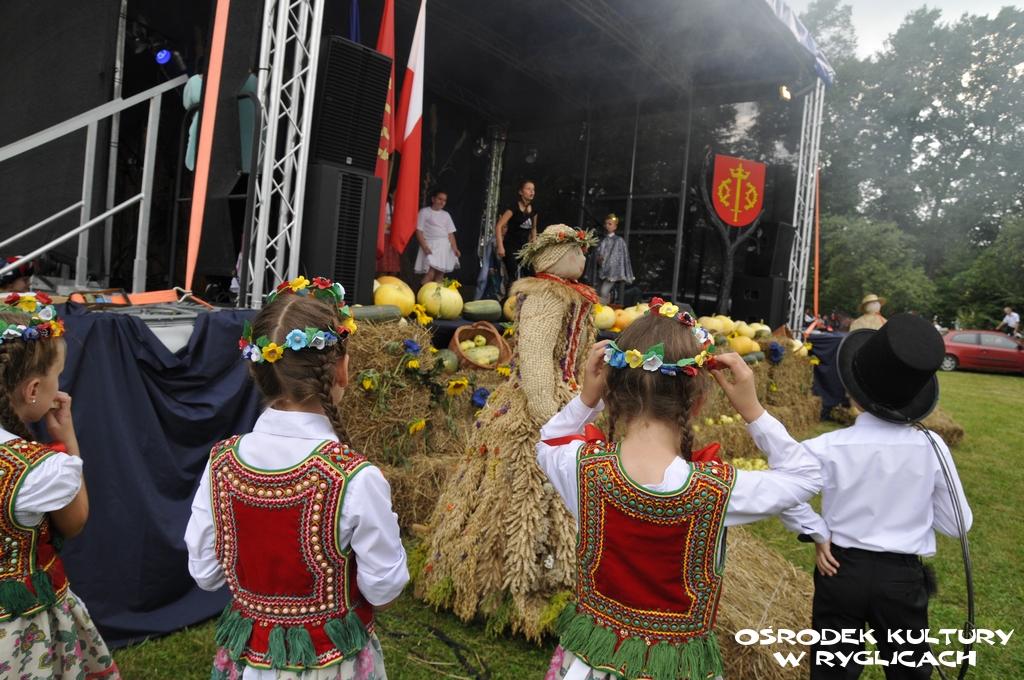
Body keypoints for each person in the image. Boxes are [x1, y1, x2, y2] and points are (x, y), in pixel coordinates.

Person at [537, 303, 823, 680]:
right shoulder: (715, 490)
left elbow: (549, 440)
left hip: (590, 662)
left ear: (612, 392)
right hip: (673, 669)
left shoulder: (582, 467)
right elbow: (807, 476)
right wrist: (752, 410)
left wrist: (586, 400)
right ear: (698, 402)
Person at [185, 278, 407, 680]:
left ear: (257, 370)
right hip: (329, 664)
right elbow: (384, 590)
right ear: (341, 369)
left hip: (248, 662)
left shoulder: (221, 463)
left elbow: (206, 574)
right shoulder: (354, 478)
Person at [420, 225, 599, 639]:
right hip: (540, 407)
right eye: (576, 252)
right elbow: (535, 357)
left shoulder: (568, 295)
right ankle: (501, 586)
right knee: (523, 490)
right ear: (554, 258)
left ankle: (558, 577)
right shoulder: (546, 299)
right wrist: (549, 416)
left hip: (567, 397)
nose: (583, 259)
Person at [779, 313, 972, 679]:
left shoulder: (826, 446)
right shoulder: (932, 447)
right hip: (901, 578)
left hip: (840, 570)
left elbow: (783, 490)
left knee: (833, 670)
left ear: (852, 394)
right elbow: (957, 524)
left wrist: (816, 531)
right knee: (909, 671)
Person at [0, 293, 120, 678]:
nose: (59, 389)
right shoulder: (42, 470)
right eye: (57, 377)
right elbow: (74, 522)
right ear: (33, 390)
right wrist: (66, 438)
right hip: (18, 627)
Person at [495, 180, 538, 287]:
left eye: (533, 189)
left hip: (524, 247)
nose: (531, 191)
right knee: (513, 276)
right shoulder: (514, 208)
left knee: (531, 275)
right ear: (521, 192)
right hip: (511, 245)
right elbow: (499, 226)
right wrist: (500, 246)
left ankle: (525, 296)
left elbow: (533, 228)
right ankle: (509, 297)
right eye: (528, 189)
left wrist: (534, 246)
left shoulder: (534, 209)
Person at [413, 190, 461, 286]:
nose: (442, 202)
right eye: (440, 199)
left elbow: (450, 233)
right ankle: (419, 293)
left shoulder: (446, 215)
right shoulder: (425, 212)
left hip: (444, 247)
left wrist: (455, 248)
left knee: (440, 275)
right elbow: (418, 231)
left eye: (444, 200)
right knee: (430, 274)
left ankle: (436, 294)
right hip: (431, 246)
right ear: (433, 199)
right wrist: (425, 247)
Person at [595, 214, 634, 304]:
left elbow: (619, 257)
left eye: (610, 224)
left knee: (604, 292)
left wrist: (608, 262)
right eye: (606, 224)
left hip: (611, 272)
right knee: (597, 292)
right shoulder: (601, 240)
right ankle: (597, 308)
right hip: (600, 269)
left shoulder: (618, 240)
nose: (607, 226)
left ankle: (603, 310)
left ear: (615, 227)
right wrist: (598, 260)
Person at [376, 191, 401, 277]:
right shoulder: (385, 206)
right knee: (383, 268)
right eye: (396, 193)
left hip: (394, 239)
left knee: (394, 269)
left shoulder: (400, 207)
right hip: (384, 237)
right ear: (390, 195)